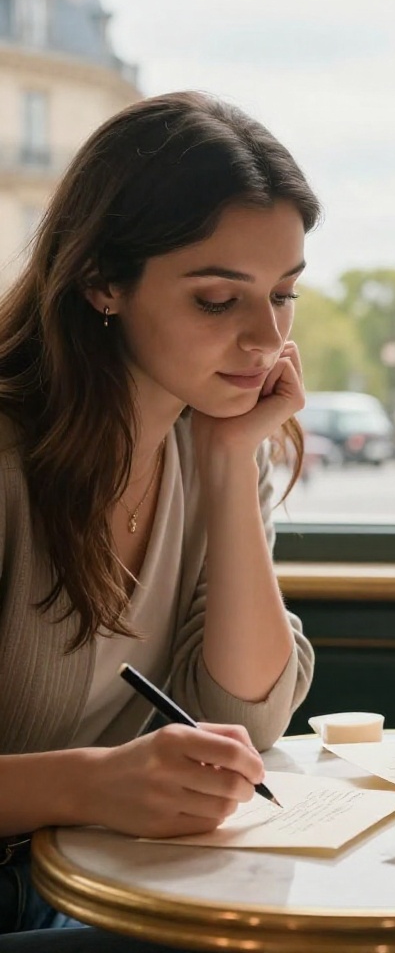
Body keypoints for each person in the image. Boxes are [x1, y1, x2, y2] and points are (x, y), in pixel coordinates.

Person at [0, 92, 318, 951]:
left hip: (86, 881)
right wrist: (91, 785)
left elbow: (243, 719)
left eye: (283, 295)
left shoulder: (212, 440)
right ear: (103, 280)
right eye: (219, 301)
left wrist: (224, 463)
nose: (265, 339)